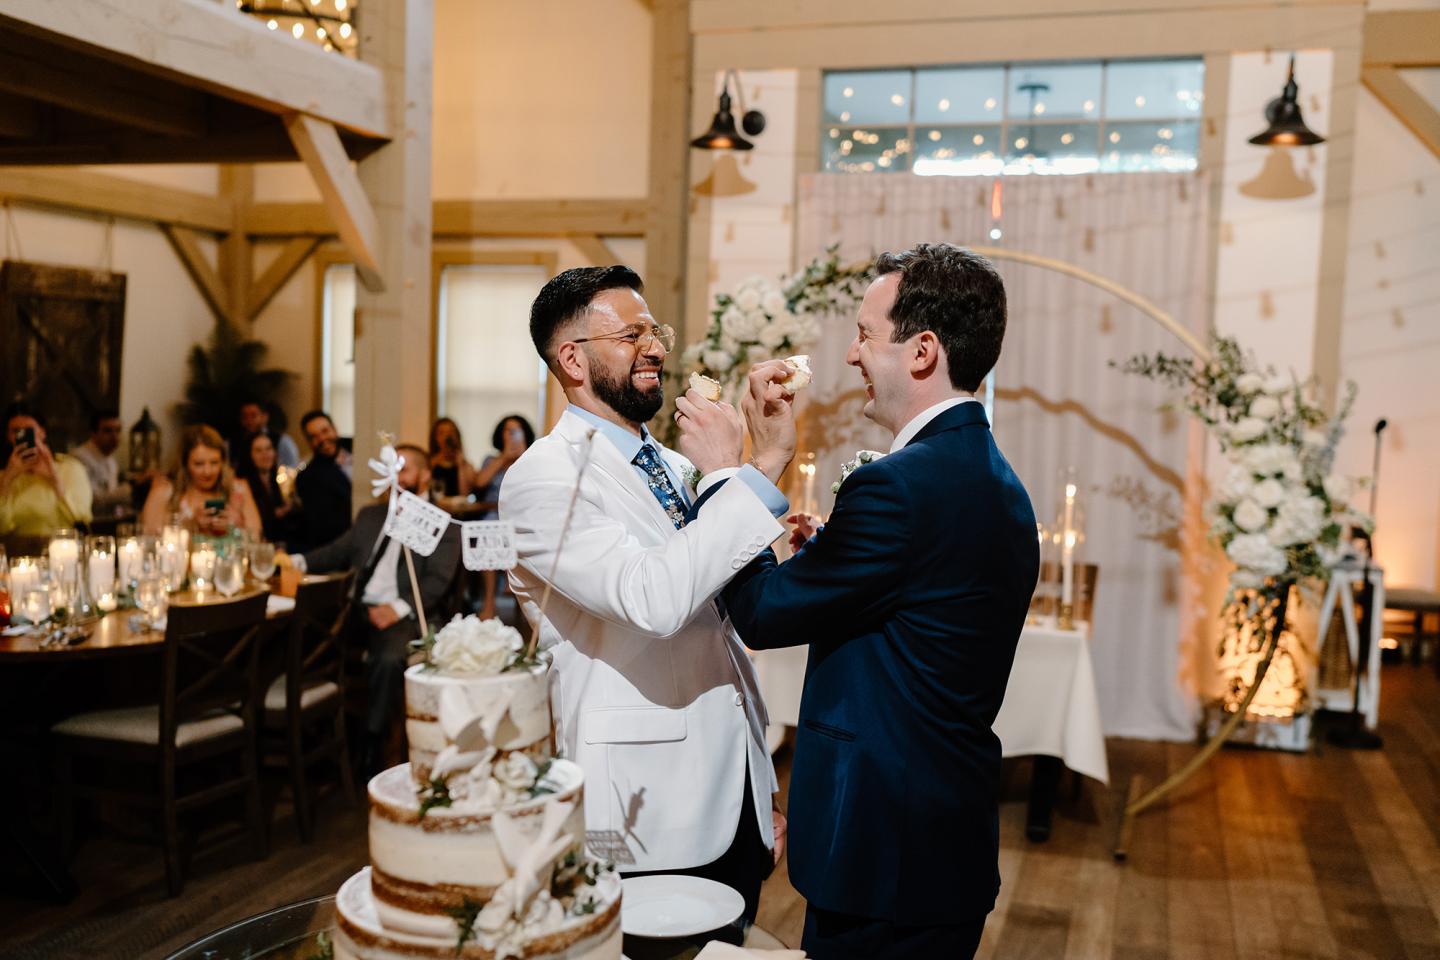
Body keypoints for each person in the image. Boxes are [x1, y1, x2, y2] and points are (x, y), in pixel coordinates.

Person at [708, 243, 1038, 960]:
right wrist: (830, 546)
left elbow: (762, 615)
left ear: (921, 352)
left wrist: (741, 476)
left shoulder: (899, 488)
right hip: (941, 839)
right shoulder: (992, 477)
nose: (852, 354)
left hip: (884, 848)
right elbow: (917, 595)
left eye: (864, 332)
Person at [499, 265, 794, 922]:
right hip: (643, 801)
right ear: (572, 358)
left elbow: (712, 604)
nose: (657, 347)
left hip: (732, 779)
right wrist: (761, 471)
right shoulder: (542, 480)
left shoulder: (677, 466)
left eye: (653, 330)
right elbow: (651, 600)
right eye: (631, 334)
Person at [284, 443, 460, 774]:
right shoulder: (371, 515)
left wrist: (396, 607)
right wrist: (294, 561)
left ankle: (372, 741)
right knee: (297, 637)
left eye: (405, 469)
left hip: (405, 613)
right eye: (392, 470)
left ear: (424, 474)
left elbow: (438, 581)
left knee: (390, 657)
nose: (398, 477)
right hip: (354, 607)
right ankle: (311, 735)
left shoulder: (442, 523)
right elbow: (336, 552)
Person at [140, 424, 262, 540]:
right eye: (199, 464)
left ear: (223, 462)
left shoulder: (238, 488)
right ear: (185, 463)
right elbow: (150, 542)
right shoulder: (164, 492)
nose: (207, 472)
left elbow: (257, 539)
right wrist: (190, 525)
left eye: (214, 463)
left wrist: (236, 527)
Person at [0, 402, 93, 537]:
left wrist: (54, 478)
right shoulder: (3, 475)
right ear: (8, 436)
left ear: (42, 432)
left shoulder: (71, 468)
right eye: (15, 431)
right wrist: (7, 479)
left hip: (63, 550)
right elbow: (2, 528)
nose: (22, 435)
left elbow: (81, 520)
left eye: (29, 430)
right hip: (16, 553)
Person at [473, 414, 533, 619]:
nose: (512, 435)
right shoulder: (492, 460)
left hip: (521, 514)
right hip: (493, 514)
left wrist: (523, 455)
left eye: (517, 430)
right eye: (508, 430)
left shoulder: (532, 457)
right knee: (488, 527)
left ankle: (514, 581)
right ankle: (489, 599)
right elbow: (480, 483)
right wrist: (504, 458)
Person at [296, 410, 352, 551]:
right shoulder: (308, 478)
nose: (322, 439)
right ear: (309, 443)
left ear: (335, 430)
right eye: (314, 437)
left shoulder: (360, 453)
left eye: (325, 431)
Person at [69, 409, 132, 518]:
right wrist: (130, 490)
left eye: (118, 430)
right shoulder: (79, 458)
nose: (115, 437)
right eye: (108, 431)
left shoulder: (112, 461)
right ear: (93, 433)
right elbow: (93, 501)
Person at [236, 431, 294, 544]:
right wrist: (274, 514)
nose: (265, 455)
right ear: (249, 455)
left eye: (268, 448)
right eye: (259, 450)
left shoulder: (280, 480)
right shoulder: (242, 485)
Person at [238, 400, 300, 469]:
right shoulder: (236, 442)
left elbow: (292, 467)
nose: (249, 421)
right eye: (245, 417)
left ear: (264, 417)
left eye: (253, 416)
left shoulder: (282, 440)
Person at [427, 417, 477, 499]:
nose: (447, 437)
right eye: (441, 433)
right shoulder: (429, 463)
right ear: (435, 438)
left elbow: (465, 495)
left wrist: (460, 465)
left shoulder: (466, 466)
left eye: (451, 432)